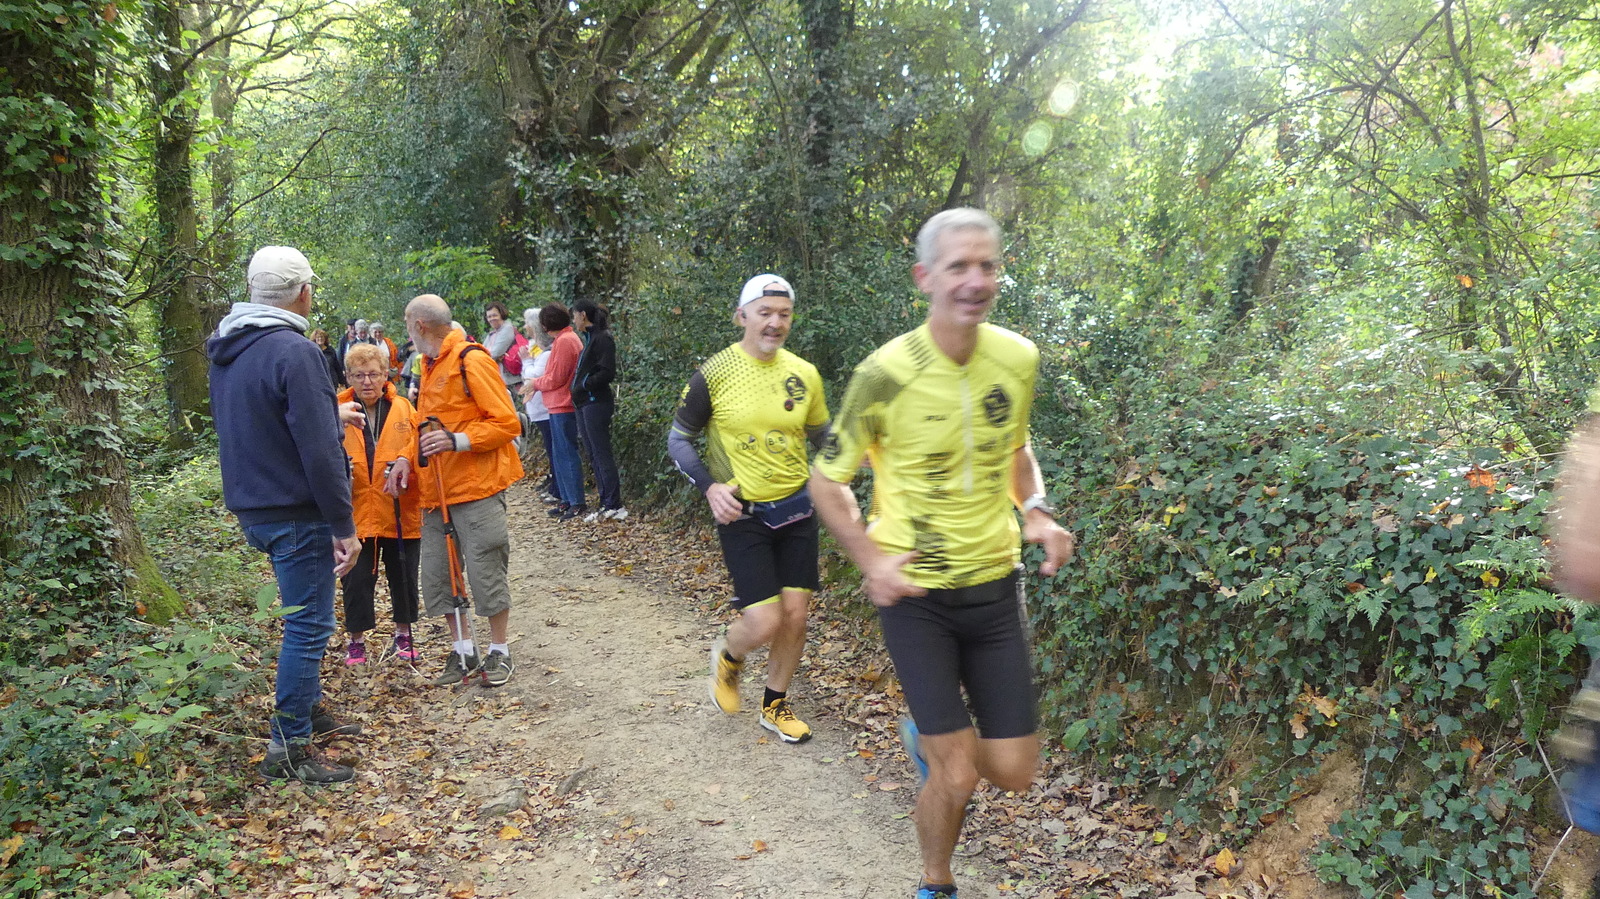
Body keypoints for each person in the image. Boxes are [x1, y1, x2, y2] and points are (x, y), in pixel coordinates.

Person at [809, 209, 1076, 899]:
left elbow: (1016, 450)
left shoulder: (1017, 357)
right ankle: (936, 883)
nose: (975, 280)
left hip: (995, 587)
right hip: (916, 594)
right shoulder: (882, 374)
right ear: (925, 277)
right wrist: (871, 560)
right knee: (957, 773)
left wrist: (1036, 510)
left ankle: (928, 741)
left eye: (987, 265)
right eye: (959, 266)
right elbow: (827, 481)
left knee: (1014, 771)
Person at [205, 245, 363, 785]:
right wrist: (344, 525)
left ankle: (308, 710)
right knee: (309, 624)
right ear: (303, 292)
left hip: (256, 503)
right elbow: (319, 450)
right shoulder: (295, 351)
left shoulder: (230, 347)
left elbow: (259, 418)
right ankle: (288, 746)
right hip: (297, 509)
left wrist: (328, 410)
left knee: (305, 615)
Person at [670, 274, 829, 743]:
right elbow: (679, 440)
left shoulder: (805, 374)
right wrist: (709, 488)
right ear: (742, 316)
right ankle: (729, 654)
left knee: (795, 615)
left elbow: (822, 435)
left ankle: (774, 705)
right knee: (764, 620)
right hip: (743, 513)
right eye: (765, 313)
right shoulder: (715, 373)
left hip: (798, 509)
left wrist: (856, 451)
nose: (775, 322)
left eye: (784, 314)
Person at [405, 294, 525, 687]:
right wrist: (405, 459)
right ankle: (463, 650)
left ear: (419, 325)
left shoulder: (471, 359)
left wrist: (457, 441)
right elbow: (425, 428)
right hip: (435, 492)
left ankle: (500, 651)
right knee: (440, 575)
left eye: (407, 324)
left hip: (477, 489)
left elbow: (507, 423)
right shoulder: (428, 364)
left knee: (486, 570)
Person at [337, 343, 422, 666]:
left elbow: (418, 446)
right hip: (355, 510)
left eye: (373, 374)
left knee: (404, 574)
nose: (367, 382)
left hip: (400, 507)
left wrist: (406, 462)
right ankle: (356, 640)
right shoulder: (337, 409)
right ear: (348, 377)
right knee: (355, 579)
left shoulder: (403, 408)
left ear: (386, 374)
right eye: (359, 375)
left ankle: (404, 634)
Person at [523, 304, 587, 520]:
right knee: (560, 454)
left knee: (566, 453)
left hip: (563, 404)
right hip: (557, 404)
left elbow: (556, 378)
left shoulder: (565, 341)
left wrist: (535, 383)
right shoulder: (564, 339)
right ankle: (567, 499)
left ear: (545, 325)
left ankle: (576, 501)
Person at [572, 299, 626, 521]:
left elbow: (606, 372)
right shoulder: (589, 339)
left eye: (574, 315)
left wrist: (585, 384)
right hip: (584, 404)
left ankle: (614, 503)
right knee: (593, 454)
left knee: (602, 453)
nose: (574, 320)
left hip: (596, 403)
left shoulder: (603, 338)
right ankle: (605, 502)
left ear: (583, 315)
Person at [521, 312, 557, 499]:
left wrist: (526, 361)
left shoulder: (546, 353)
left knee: (554, 449)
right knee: (550, 448)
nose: (524, 327)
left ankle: (558, 488)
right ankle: (554, 483)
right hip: (537, 408)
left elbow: (533, 376)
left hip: (545, 408)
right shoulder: (534, 348)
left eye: (527, 323)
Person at [481, 301, 524, 405]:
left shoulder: (507, 329)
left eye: (494, 315)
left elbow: (494, 353)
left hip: (512, 380)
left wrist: (489, 356)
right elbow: (481, 353)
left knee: (515, 409)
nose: (492, 319)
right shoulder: (492, 334)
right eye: (489, 316)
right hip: (499, 378)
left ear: (501, 314)